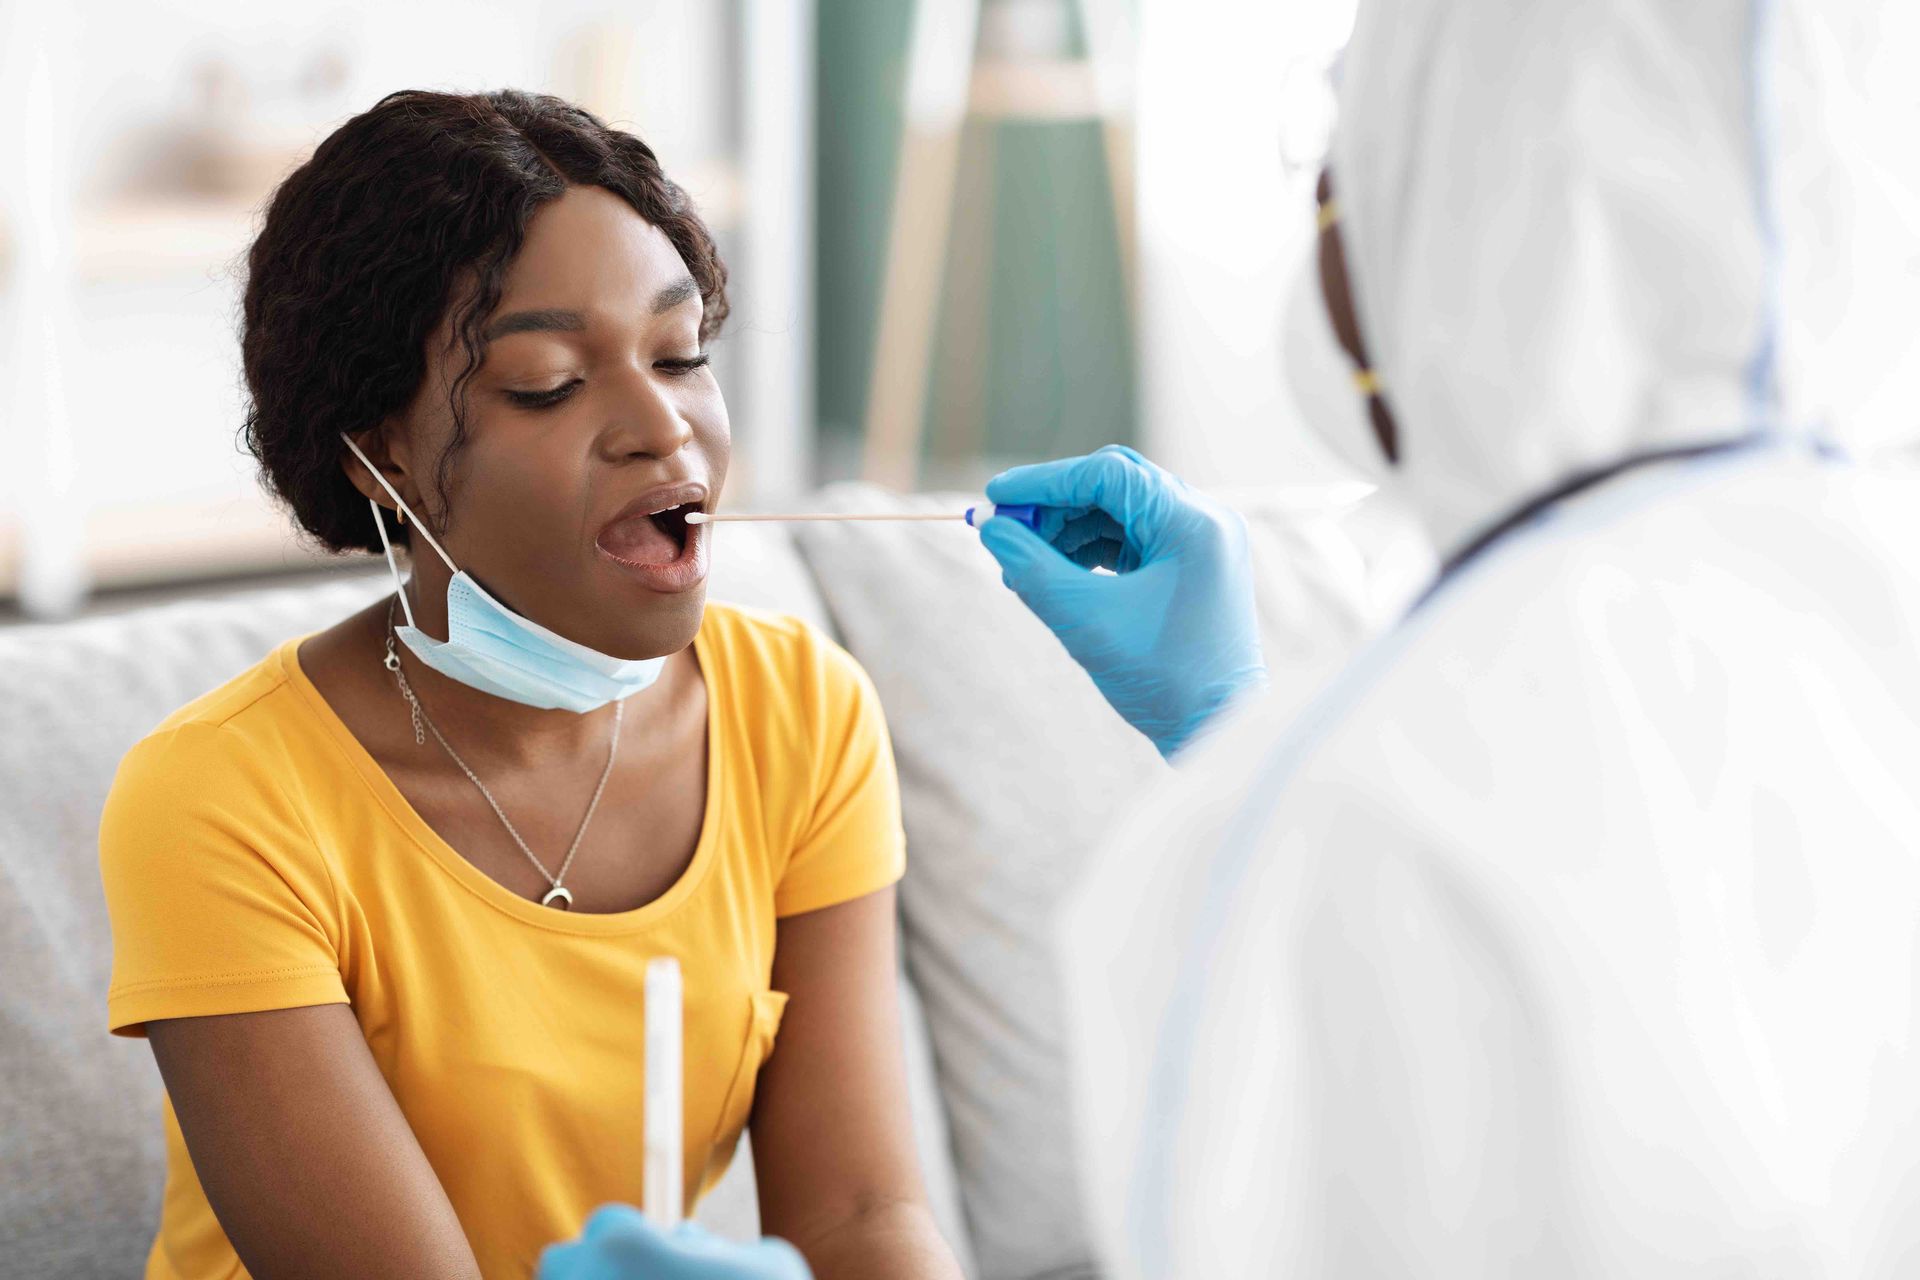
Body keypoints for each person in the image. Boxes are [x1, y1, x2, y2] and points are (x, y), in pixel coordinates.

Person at [975, 0, 1920, 1274]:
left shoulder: (1345, 819)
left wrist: (1256, 762)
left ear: (1459, 169)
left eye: (1340, 125)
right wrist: (1236, 726)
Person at [99, 90, 960, 1280]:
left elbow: (861, 1216)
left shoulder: (800, 709)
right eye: (550, 382)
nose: (662, 426)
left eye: (680, 354)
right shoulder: (220, 797)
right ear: (381, 457)